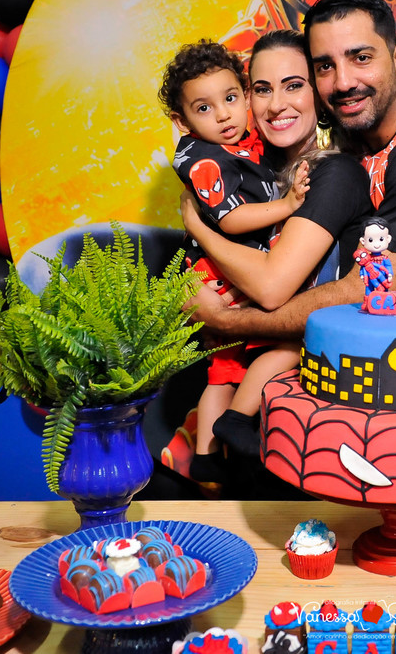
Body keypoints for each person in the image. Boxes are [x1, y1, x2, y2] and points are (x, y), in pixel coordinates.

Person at [190, 0, 396, 371]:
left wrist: (227, 322)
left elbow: (364, 288)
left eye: (361, 58)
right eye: (325, 66)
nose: (343, 82)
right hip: (387, 359)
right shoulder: (354, 134)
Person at [171, 29, 374, 465]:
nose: (276, 104)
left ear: (319, 95)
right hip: (253, 376)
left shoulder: (333, 174)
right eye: (263, 89)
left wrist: (197, 227)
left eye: (294, 85)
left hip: (313, 394)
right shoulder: (249, 164)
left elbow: (269, 288)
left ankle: (222, 438)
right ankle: (208, 455)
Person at [160, 39, 311, 482]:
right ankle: (220, 441)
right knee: (257, 357)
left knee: (225, 372)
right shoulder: (204, 161)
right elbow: (232, 219)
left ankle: (210, 457)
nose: (224, 115)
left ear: (244, 96)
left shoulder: (244, 141)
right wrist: (287, 205)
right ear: (182, 121)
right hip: (221, 277)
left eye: (230, 98)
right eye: (204, 108)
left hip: (237, 269)